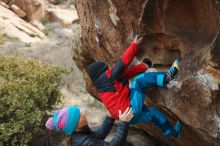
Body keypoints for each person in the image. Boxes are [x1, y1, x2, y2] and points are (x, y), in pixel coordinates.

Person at [87, 35, 182, 139]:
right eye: (107, 68)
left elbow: (126, 74)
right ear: (102, 71)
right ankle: (166, 78)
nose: (110, 68)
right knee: (138, 81)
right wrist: (134, 45)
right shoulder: (107, 77)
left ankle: (172, 133)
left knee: (152, 113)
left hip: (129, 119)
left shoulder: (103, 87)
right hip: (131, 109)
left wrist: (144, 66)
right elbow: (123, 64)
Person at [45, 106, 134, 146]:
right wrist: (123, 122)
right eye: (79, 116)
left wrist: (109, 118)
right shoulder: (84, 142)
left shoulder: (79, 134)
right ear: (75, 126)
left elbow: (97, 136)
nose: (83, 114)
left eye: (80, 113)